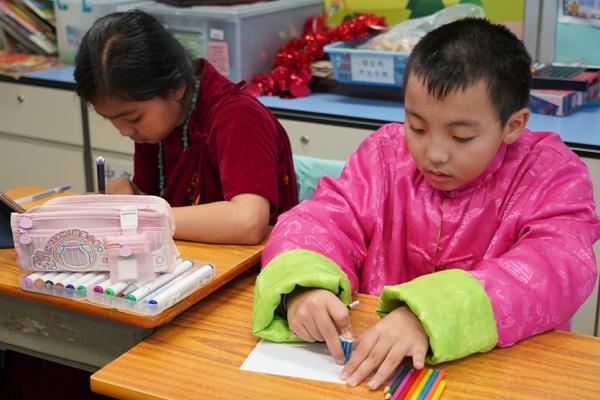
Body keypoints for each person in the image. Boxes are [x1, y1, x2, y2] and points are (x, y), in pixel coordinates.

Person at [252, 17, 600, 390]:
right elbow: (322, 219)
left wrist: (427, 316)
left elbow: (556, 267)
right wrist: (304, 287)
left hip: (502, 373)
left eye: (461, 137)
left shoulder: (551, 174)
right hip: (377, 368)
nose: (433, 154)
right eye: (417, 128)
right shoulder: (386, 155)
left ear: (513, 125)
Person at [74, 10, 298, 244]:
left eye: (133, 118)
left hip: (259, 262)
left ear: (177, 85)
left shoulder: (238, 117)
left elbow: (247, 222)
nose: (124, 131)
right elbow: (162, 201)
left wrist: (141, 214)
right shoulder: (158, 126)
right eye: (110, 119)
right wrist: (132, 194)